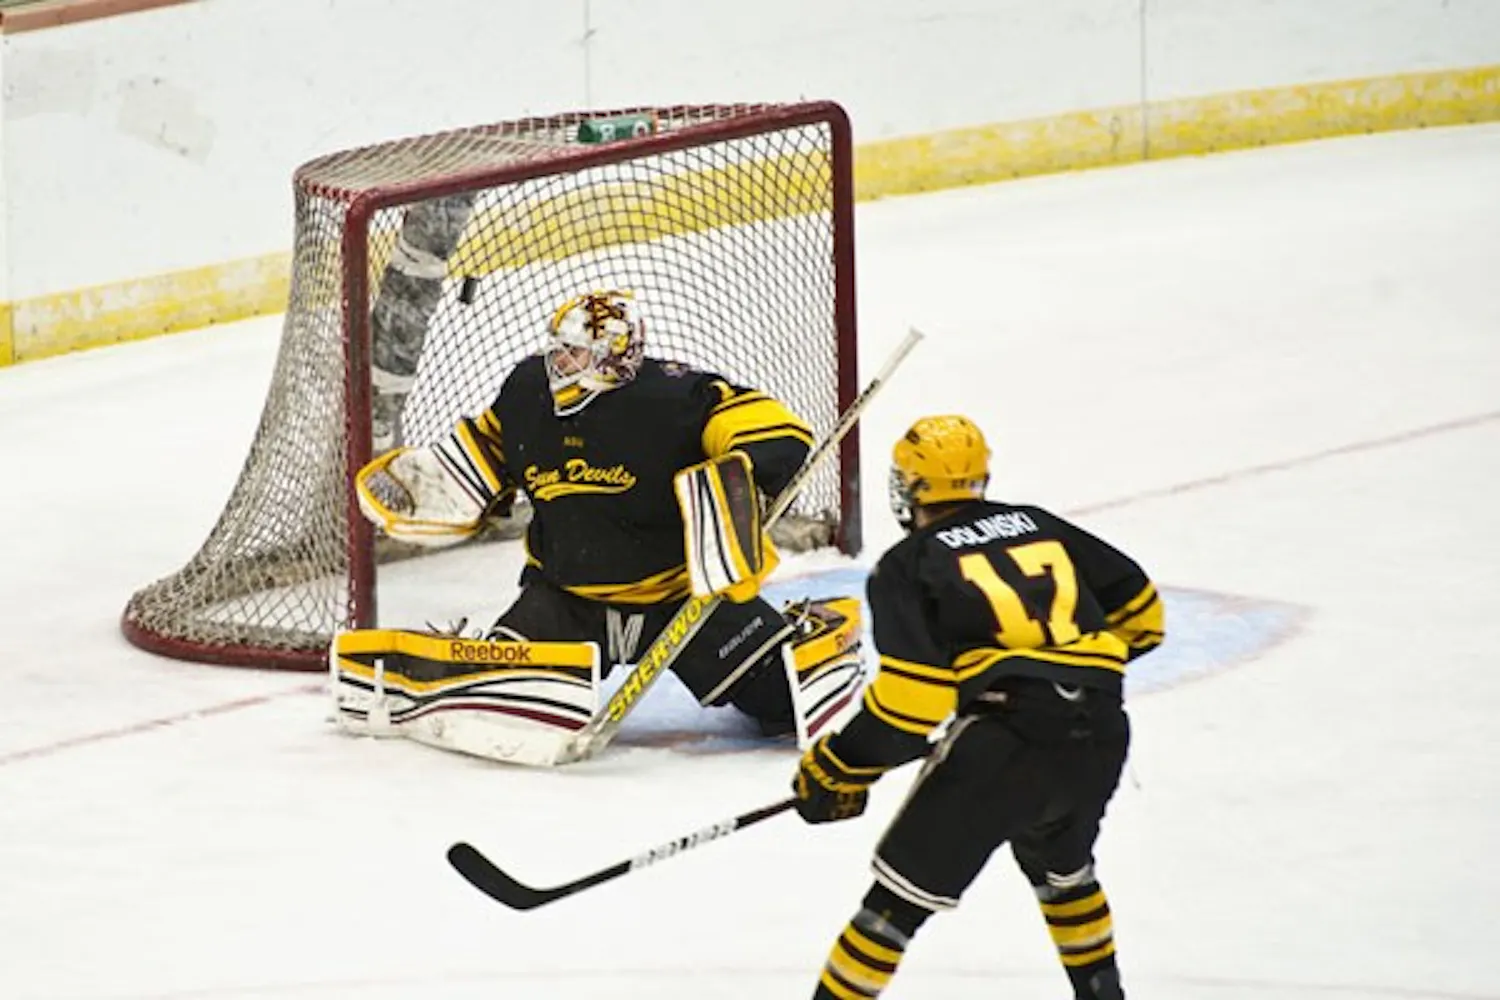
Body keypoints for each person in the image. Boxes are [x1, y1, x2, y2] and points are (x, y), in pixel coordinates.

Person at [345, 289, 861, 749]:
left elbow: (775, 430)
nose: (561, 364)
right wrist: (428, 481)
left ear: (619, 355)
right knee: (499, 703)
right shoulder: (527, 393)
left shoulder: (675, 397)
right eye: (559, 350)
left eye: (577, 352)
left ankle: (809, 631)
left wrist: (742, 474)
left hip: (681, 602)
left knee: (784, 704)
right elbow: (487, 446)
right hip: (567, 600)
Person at [790, 414, 1165, 1000]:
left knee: (892, 908)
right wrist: (1066, 675)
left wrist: (840, 766)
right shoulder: (1038, 525)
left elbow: (911, 706)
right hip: (1098, 733)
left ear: (910, 487)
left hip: (1002, 750)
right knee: (1065, 872)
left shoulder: (909, 563)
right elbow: (1144, 616)